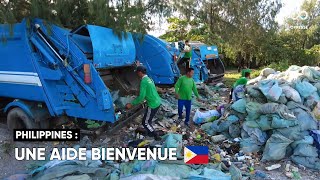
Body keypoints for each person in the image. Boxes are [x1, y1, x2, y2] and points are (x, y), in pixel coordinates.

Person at [126, 66, 161, 140]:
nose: (137, 74)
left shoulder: (144, 81)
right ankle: (149, 133)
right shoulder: (149, 79)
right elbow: (151, 90)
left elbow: (141, 96)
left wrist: (131, 104)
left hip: (152, 104)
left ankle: (155, 135)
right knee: (148, 120)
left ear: (140, 73)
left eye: (137, 73)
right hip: (157, 101)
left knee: (145, 122)